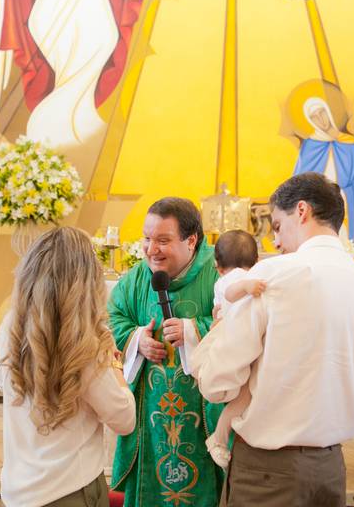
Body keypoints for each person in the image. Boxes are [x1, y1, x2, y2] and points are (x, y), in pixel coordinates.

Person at [192, 172, 354, 507]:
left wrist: (214, 334)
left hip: (270, 472)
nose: (276, 242)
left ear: (302, 211)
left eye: (278, 227)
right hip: (330, 469)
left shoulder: (274, 276)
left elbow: (216, 383)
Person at [0, 227, 136, 507]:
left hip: (19, 489)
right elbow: (124, 419)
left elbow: (6, 387)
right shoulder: (85, 343)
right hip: (70, 490)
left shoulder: (11, 325)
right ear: (85, 281)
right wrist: (114, 362)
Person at [108, 197, 225, 506]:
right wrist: (137, 340)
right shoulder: (136, 278)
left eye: (162, 240)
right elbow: (113, 317)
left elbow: (242, 320)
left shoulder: (218, 272)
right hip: (150, 414)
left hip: (204, 407)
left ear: (191, 240)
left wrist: (192, 329)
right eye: (147, 238)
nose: (150, 249)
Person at [208, 230, 265, 467]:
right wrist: (247, 285)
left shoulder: (226, 276)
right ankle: (219, 439)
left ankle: (221, 438)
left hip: (232, 342)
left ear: (217, 265)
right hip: (234, 345)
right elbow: (232, 294)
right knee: (245, 395)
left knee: (245, 395)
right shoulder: (237, 278)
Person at [293, 97, 354, 248]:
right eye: (314, 117)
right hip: (317, 211)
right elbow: (296, 186)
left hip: (348, 204)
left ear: (329, 113)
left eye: (322, 112)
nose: (320, 119)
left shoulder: (349, 143)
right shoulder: (310, 147)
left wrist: (350, 193)